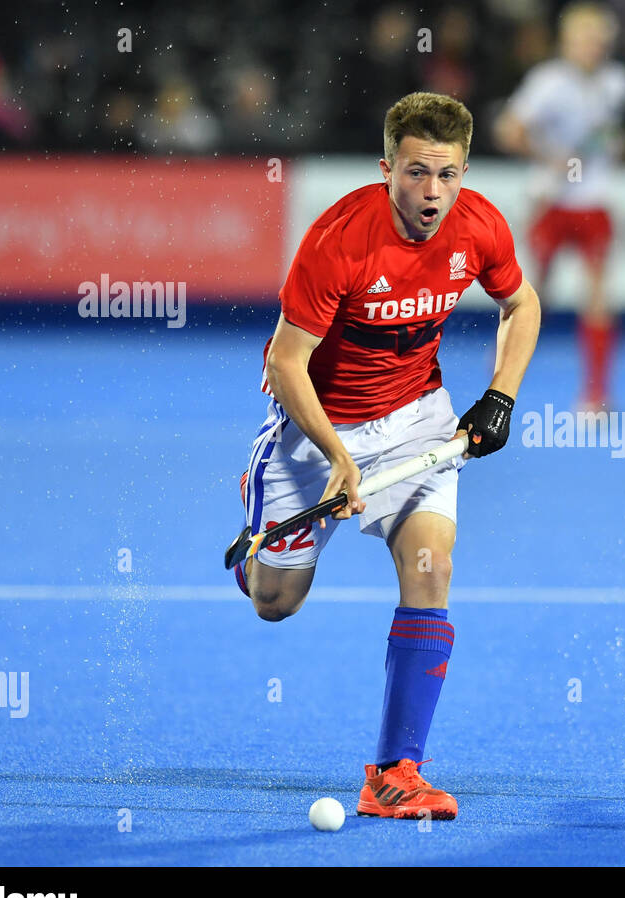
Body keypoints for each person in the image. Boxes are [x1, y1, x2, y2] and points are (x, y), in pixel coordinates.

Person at [234, 91, 541, 819]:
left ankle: (394, 772)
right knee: (275, 603)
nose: (431, 192)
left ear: (465, 171)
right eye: (414, 173)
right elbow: (286, 362)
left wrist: (500, 395)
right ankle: (259, 516)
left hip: (418, 422)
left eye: (447, 174)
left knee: (432, 571)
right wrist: (338, 458)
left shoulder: (480, 228)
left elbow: (521, 305)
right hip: (321, 425)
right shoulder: (339, 239)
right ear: (386, 167)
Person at [494, 2, 625, 410]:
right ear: (567, 42)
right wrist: (550, 157)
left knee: (597, 299)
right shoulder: (548, 82)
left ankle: (596, 395)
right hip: (551, 202)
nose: (592, 47)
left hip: (594, 204)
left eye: (598, 40)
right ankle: (499, 381)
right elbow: (509, 130)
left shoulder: (619, 83)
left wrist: (617, 149)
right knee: (529, 295)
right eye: (583, 39)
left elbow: (615, 135)